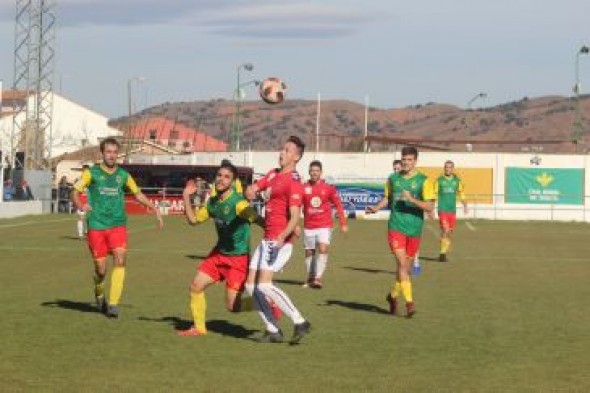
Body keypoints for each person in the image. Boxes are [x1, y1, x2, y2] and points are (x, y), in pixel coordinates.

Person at [71, 137, 163, 318]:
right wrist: (81, 205)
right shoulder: (91, 173)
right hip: (96, 225)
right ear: (102, 153)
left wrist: (154, 208)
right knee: (101, 269)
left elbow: (137, 194)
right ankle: (99, 290)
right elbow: (74, 192)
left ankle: (113, 304)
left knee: (120, 260)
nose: (112, 155)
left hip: (117, 225)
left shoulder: (123, 175)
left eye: (114, 152)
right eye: (108, 152)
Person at [178, 161, 264, 336]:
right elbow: (193, 221)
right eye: (219, 175)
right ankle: (199, 328)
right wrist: (186, 196)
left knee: (232, 306)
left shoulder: (238, 204)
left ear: (232, 182)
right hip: (219, 254)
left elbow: (257, 219)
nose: (221, 180)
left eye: (226, 177)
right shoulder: (213, 203)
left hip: (238, 259)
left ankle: (265, 303)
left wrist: (281, 233)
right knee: (196, 286)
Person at [244, 135, 311, 344]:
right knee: (250, 286)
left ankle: (299, 321)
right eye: (282, 149)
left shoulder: (294, 182)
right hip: (266, 239)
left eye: (287, 150)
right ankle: (272, 329)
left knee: (263, 285)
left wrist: (282, 237)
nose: (282, 153)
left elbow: (294, 218)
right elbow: (253, 189)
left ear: (297, 157)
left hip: (279, 241)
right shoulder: (272, 174)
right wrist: (251, 191)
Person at [366, 146, 435, 318]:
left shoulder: (424, 181)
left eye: (409, 159)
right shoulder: (393, 179)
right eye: (404, 159)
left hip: (415, 229)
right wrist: (376, 208)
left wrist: (412, 199)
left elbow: (430, 206)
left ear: (415, 161)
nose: (405, 162)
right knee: (403, 265)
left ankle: (393, 296)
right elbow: (387, 199)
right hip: (396, 227)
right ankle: (410, 304)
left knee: (406, 270)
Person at [301, 160, 348, 289]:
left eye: (317, 171)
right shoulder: (304, 188)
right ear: (309, 172)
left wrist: (343, 222)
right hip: (309, 226)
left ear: (321, 172)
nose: (314, 173)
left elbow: (338, 204)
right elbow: (297, 205)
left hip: (324, 225)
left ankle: (318, 278)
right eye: (312, 170)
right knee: (309, 252)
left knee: (323, 248)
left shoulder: (328, 188)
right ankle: (310, 277)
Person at [434, 160, 468, 262]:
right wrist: (430, 207)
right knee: (445, 229)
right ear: (444, 168)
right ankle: (442, 254)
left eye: (449, 167)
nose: (447, 169)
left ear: (452, 169)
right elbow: (434, 194)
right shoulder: (439, 181)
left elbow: (461, 193)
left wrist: (465, 205)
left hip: (452, 211)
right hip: (442, 209)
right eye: (446, 167)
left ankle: (443, 253)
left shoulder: (457, 181)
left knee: (449, 233)